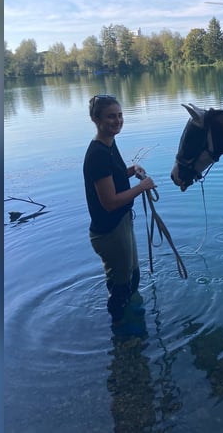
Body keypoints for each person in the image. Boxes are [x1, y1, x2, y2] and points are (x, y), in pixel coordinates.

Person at [83, 94, 157, 327]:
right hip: (110, 231)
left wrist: (130, 170)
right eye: (110, 116)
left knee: (132, 277)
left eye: (120, 115)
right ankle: (121, 332)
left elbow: (111, 179)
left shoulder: (108, 145)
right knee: (121, 285)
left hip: (121, 223)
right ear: (96, 119)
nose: (117, 120)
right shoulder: (97, 155)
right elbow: (110, 202)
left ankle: (132, 324)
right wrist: (142, 186)